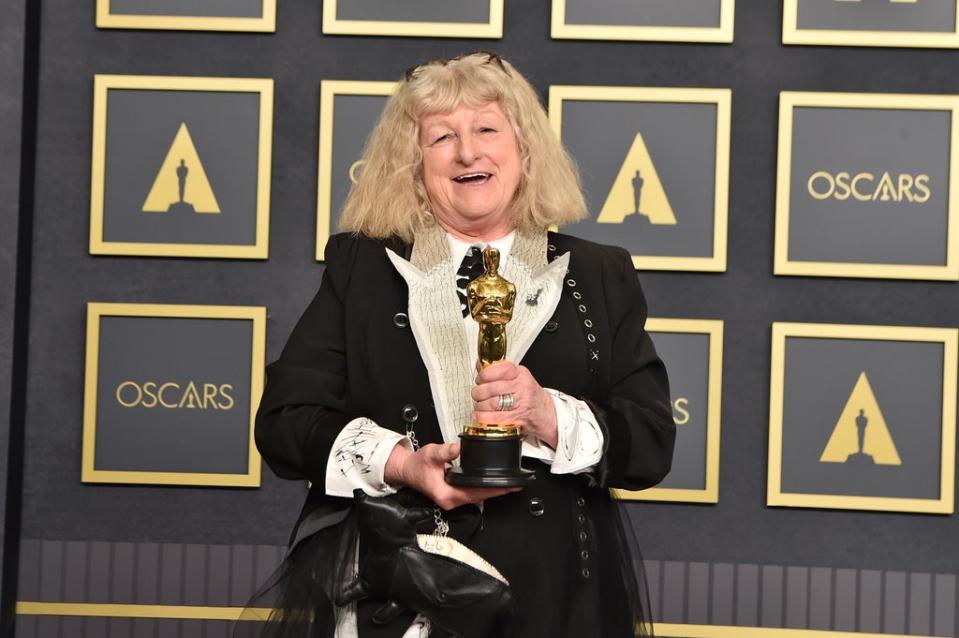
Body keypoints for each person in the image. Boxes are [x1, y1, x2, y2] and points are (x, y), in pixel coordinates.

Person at [246, 51, 675, 638]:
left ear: (523, 148)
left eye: (487, 130)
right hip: (396, 595)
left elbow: (650, 444)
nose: (467, 151)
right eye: (442, 136)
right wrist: (403, 463)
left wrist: (546, 414)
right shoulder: (361, 267)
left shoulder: (601, 273)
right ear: (413, 165)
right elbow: (285, 422)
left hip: (553, 601)